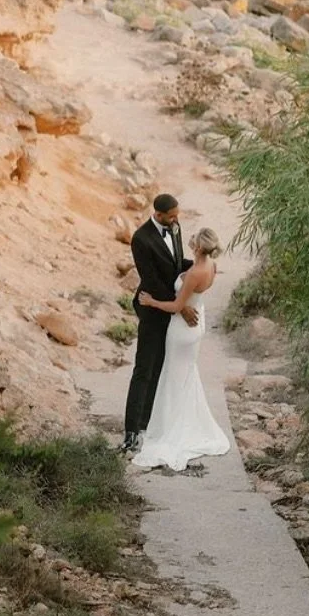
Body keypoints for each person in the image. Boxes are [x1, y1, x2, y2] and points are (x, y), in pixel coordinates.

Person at [132, 228, 230, 473]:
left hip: (181, 330)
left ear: (198, 247)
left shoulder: (194, 274)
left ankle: (169, 426)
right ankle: (182, 420)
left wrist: (151, 302)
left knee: (173, 378)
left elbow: (177, 305)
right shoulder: (211, 266)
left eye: (194, 242)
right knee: (185, 375)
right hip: (197, 325)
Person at [123, 194, 196, 451]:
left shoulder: (174, 229)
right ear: (159, 214)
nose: (177, 219)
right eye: (172, 215)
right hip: (152, 307)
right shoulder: (141, 239)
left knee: (161, 366)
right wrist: (181, 307)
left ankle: (148, 423)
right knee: (145, 367)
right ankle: (131, 431)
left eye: (178, 214)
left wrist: (201, 265)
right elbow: (152, 280)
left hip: (169, 308)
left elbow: (176, 264)